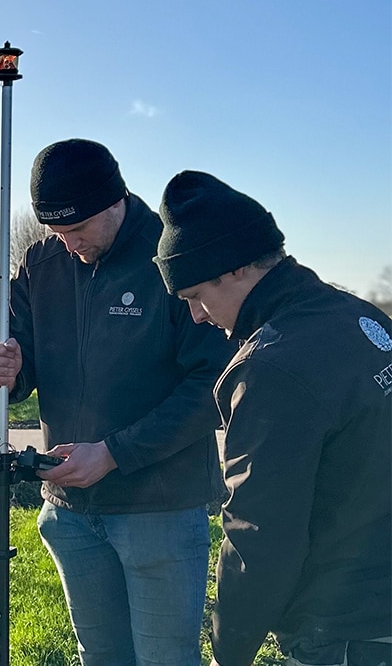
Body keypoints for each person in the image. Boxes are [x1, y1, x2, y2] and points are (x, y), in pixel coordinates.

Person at [0, 139, 234, 665]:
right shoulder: (40, 263)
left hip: (158, 509)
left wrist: (115, 453)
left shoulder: (174, 256)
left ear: (114, 200)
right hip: (70, 513)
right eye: (56, 232)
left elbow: (212, 383)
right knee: (100, 656)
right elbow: (19, 367)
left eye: (76, 230)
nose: (67, 244)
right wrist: (3, 371)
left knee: (165, 659)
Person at [153, 170, 392, 666]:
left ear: (236, 268)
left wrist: (229, 650)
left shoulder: (270, 370)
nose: (197, 315)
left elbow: (260, 533)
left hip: (345, 628)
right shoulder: (358, 318)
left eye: (197, 294)